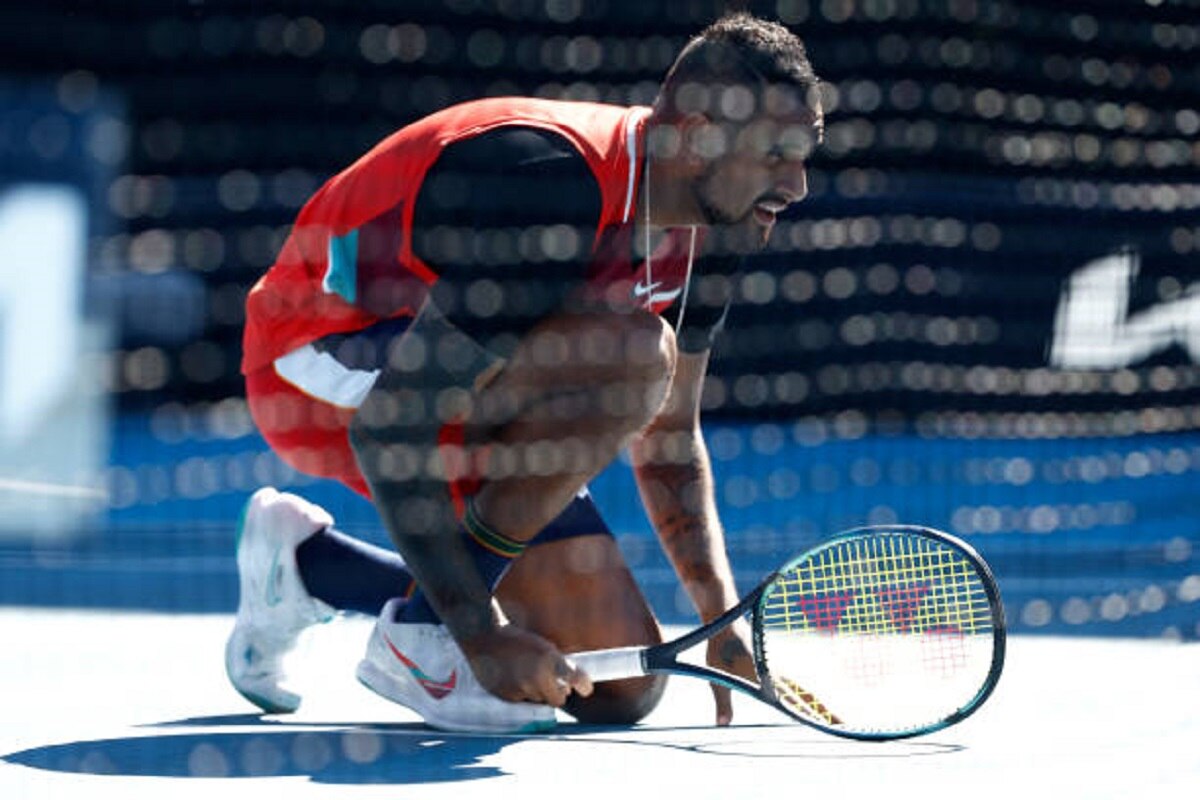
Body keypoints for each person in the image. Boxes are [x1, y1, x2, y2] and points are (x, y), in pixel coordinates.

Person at [226, 11, 823, 733]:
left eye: (805, 154)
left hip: (459, 387)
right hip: (318, 365)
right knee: (639, 356)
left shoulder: (717, 223)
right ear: (697, 136)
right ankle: (421, 641)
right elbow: (393, 429)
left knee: (621, 686)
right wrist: (476, 635)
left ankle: (306, 565)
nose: (798, 184)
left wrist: (720, 620)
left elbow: (670, 438)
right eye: (777, 155)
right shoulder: (552, 183)